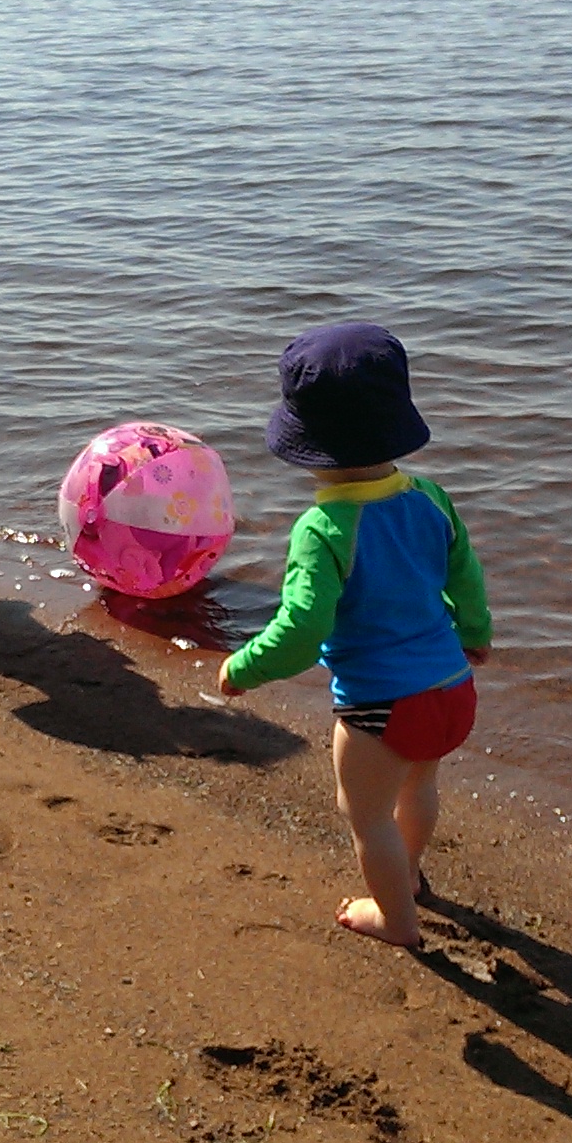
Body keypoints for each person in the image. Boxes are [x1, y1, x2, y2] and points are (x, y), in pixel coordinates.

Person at [218, 323, 491, 948]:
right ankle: (410, 875)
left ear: (307, 442)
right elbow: (466, 576)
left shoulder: (323, 528)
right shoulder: (431, 498)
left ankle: (395, 920)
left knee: (365, 817)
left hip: (381, 706)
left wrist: (245, 666)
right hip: (452, 686)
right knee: (420, 785)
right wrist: (476, 633)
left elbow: (302, 628)